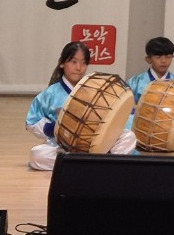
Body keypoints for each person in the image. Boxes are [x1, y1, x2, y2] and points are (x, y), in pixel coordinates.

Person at [26, 42, 137, 171]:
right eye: (73, 62)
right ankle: (102, 163)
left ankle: (80, 164)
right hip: (65, 146)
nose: (79, 68)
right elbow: (32, 123)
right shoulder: (50, 94)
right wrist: (55, 128)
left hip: (99, 142)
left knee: (128, 137)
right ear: (62, 63)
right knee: (37, 155)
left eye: (83, 63)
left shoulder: (96, 86)